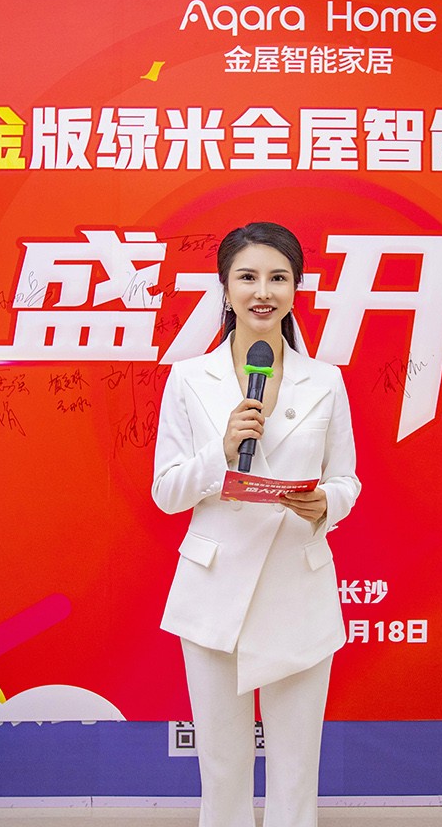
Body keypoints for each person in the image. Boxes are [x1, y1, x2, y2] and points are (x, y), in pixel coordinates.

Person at [152, 221, 361, 827]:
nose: (262, 292)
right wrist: (220, 452)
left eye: (278, 278)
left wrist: (326, 504)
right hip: (215, 587)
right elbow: (167, 492)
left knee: (297, 763)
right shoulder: (189, 378)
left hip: (297, 584)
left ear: (296, 288)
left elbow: (346, 480)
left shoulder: (325, 380)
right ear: (224, 288)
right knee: (222, 763)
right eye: (247, 277)